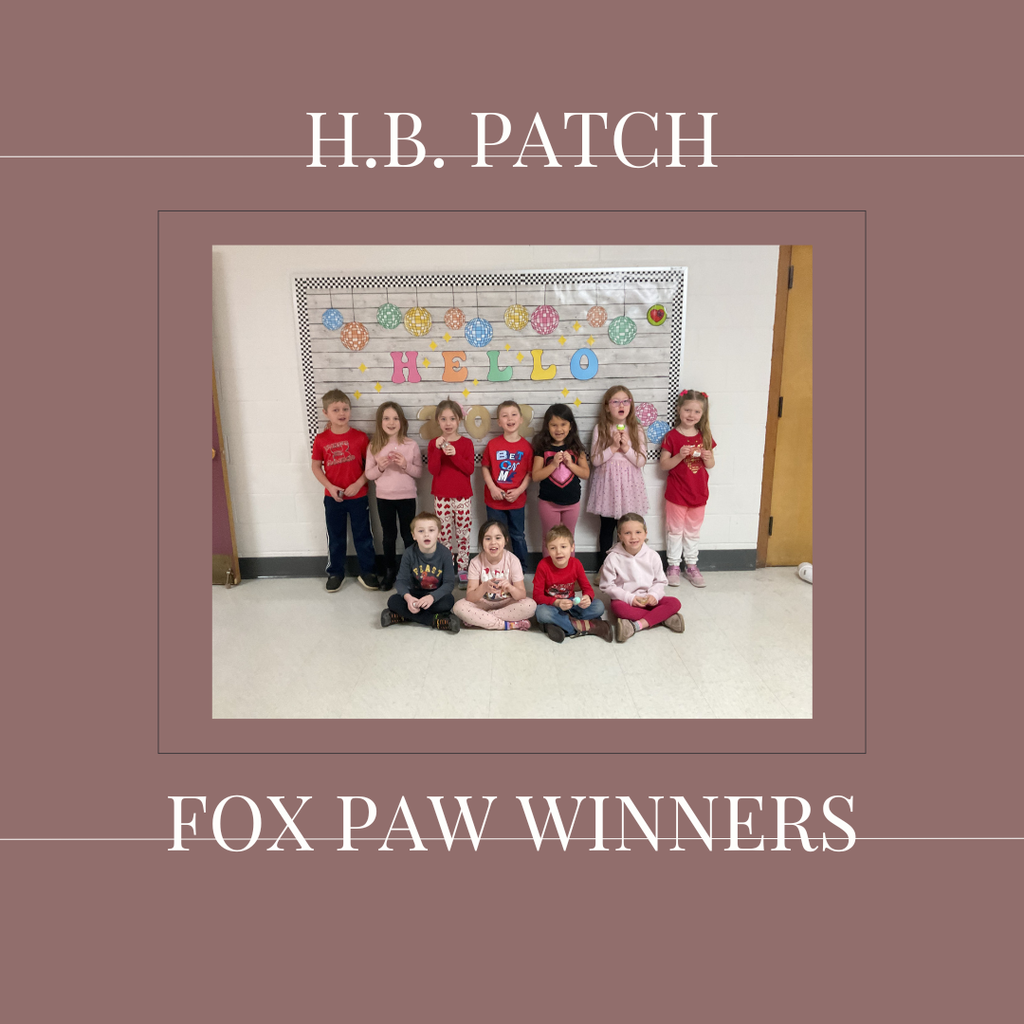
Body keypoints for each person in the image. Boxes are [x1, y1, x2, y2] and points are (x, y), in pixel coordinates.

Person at [310, 389, 379, 592]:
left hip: (359, 497)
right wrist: (330, 487)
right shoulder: (321, 439)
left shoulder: (360, 437)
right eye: (336, 409)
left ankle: (367, 571)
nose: (342, 413)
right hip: (333, 498)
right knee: (335, 536)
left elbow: (371, 466)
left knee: (363, 535)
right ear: (325, 413)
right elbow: (315, 466)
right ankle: (335, 572)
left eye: (345, 408)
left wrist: (359, 483)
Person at [659, 389, 717, 587]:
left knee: (693, 532)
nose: (691, 415)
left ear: (702, 415)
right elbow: (663, 465)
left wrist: (709, 458)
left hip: (698, 493)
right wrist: (680, 456)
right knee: (675, 531)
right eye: (687, 410)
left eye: (696, 412)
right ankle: (673, 566)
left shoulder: (705, 435)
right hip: (676, 494)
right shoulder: (672, 437)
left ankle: (691, 566)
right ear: (678, 410)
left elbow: (710, 465)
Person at [586, 384, 648, 567]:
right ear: (607, 406)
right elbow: (596, 460)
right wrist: (613, 447)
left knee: (630, 528)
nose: (621, 405)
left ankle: (631, 566)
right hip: (608, 487)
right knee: (607, 529)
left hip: (629, 488)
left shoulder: (636, 429)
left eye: (625, 401)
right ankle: (605, 568)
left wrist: (626, 447)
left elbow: (640, 461)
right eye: (616, 402)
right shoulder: (601, 428)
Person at [599, 514, 685, 642]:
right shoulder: (612, 558)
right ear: (620, 536)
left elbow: (660, 581)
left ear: (645, 534)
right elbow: (607, 586)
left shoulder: (653, 556)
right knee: (618, 609)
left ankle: (636, 625)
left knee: (674, 602)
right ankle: (664, 618)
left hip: (649, 598)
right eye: (627, 533)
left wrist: (654, 595)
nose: (633, 537)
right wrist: (630, 598)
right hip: (626, 600)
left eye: (638, 532)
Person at [364, 401, 421, 592]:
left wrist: (405, 464)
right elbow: (369, 475)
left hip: (407, 497)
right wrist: (380, 466)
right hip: (384, 498)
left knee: (408, 535)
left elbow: (419, 473)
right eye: (386, 418)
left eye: (395, 418)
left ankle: (411, 571)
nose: (391, 422)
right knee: (388, 536)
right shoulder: (374, 445)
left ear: (402, 421)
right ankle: (390, 571)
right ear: (380, 422)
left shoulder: (411, 445)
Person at [381, 512, 460, 632]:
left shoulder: (445, 553)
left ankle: (402, 616)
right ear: (414, 535)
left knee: (448, 602)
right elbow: (401, 581)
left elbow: (449, 584)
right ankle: (435, 621)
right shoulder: (409, 553)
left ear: (438, 534)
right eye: (421, 531)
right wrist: (408, 598)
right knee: (393, 601)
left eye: (431, 530)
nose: (426, 534)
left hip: (436, 596)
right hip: (415, 595)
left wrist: (432, 597)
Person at [453, 520, 537, 630]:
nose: (493, 542)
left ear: (506, 540)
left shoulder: (513, 560)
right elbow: (470, 597)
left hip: (507, 603)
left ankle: (482, 619)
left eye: (498, 538)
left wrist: (511, 588)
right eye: (488, 538)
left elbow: (521, 595)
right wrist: (483, 587)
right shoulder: (475, 562)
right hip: (483, 603)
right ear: (481, 541)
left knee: (531, 606)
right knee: (459, 607)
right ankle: (507, 624)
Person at [533, 525, 611, 643]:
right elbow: (537, 596)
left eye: (563, 547)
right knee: (541, 613)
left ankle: (559, 626)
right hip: (552, 605)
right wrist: (557, 602)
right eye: (553, 548)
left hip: (571, 604)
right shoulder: (543, 565)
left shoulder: (576, 564)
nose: (558, 552)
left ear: (572, 547)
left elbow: (587, 588)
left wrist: (587, 598)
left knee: (599, 606)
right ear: (548, 550)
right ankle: (586, 626)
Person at [427, 399, 475, 585]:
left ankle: (463, 567)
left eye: (452, 419)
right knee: (443, 535)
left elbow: (469, 469)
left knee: (463, 533)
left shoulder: (466, 443)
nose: (448, 423)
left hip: (462, 497)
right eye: (443, 419)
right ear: (438, 421)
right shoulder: (433, 444)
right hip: (441, 497)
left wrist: (454, 454)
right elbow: (433, 470)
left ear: (459, 420)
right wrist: (438, 449)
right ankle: (447, 567)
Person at [481, 400, 533, 568]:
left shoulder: (526, 447)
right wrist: (492, 487)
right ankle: (496, 566)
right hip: (494, 500)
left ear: (521, 419)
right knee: (495, 535)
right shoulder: (492, 444)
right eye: (504, 416)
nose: (509, 419)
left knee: (517, 535)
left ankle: (521, 567)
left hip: (516, 501)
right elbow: (485, 467)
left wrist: (519, 491)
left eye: (513, 414)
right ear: (499, 422)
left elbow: (529, 474)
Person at [531, 403, 590, 540]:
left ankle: (570, 562)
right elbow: (535, 476)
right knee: (550, 538)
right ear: (547, 426)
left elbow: (585, 474)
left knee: (568, 538)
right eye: (554, 425)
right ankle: (546, 562)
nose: (559, 429)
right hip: (548, 503)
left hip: (572, 503)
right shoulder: (542, 447)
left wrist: (570, 464)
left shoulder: (576, 447)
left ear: (570, 426)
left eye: (563, 424)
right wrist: (553, 465)